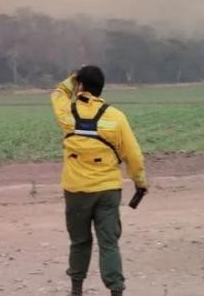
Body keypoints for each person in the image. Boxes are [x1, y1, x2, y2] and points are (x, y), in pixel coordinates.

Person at [50, 65, 148, 296]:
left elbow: (57, 94)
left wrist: (72, 78)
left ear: (80, 86)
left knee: (79, 241)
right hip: (108, 190)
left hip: (76, 190)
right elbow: (133, 154)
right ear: (101, 88)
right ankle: (116, 290)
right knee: (109, 243)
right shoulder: (116, 117)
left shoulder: (67, 113)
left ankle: (76, 290)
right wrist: (140, 183)